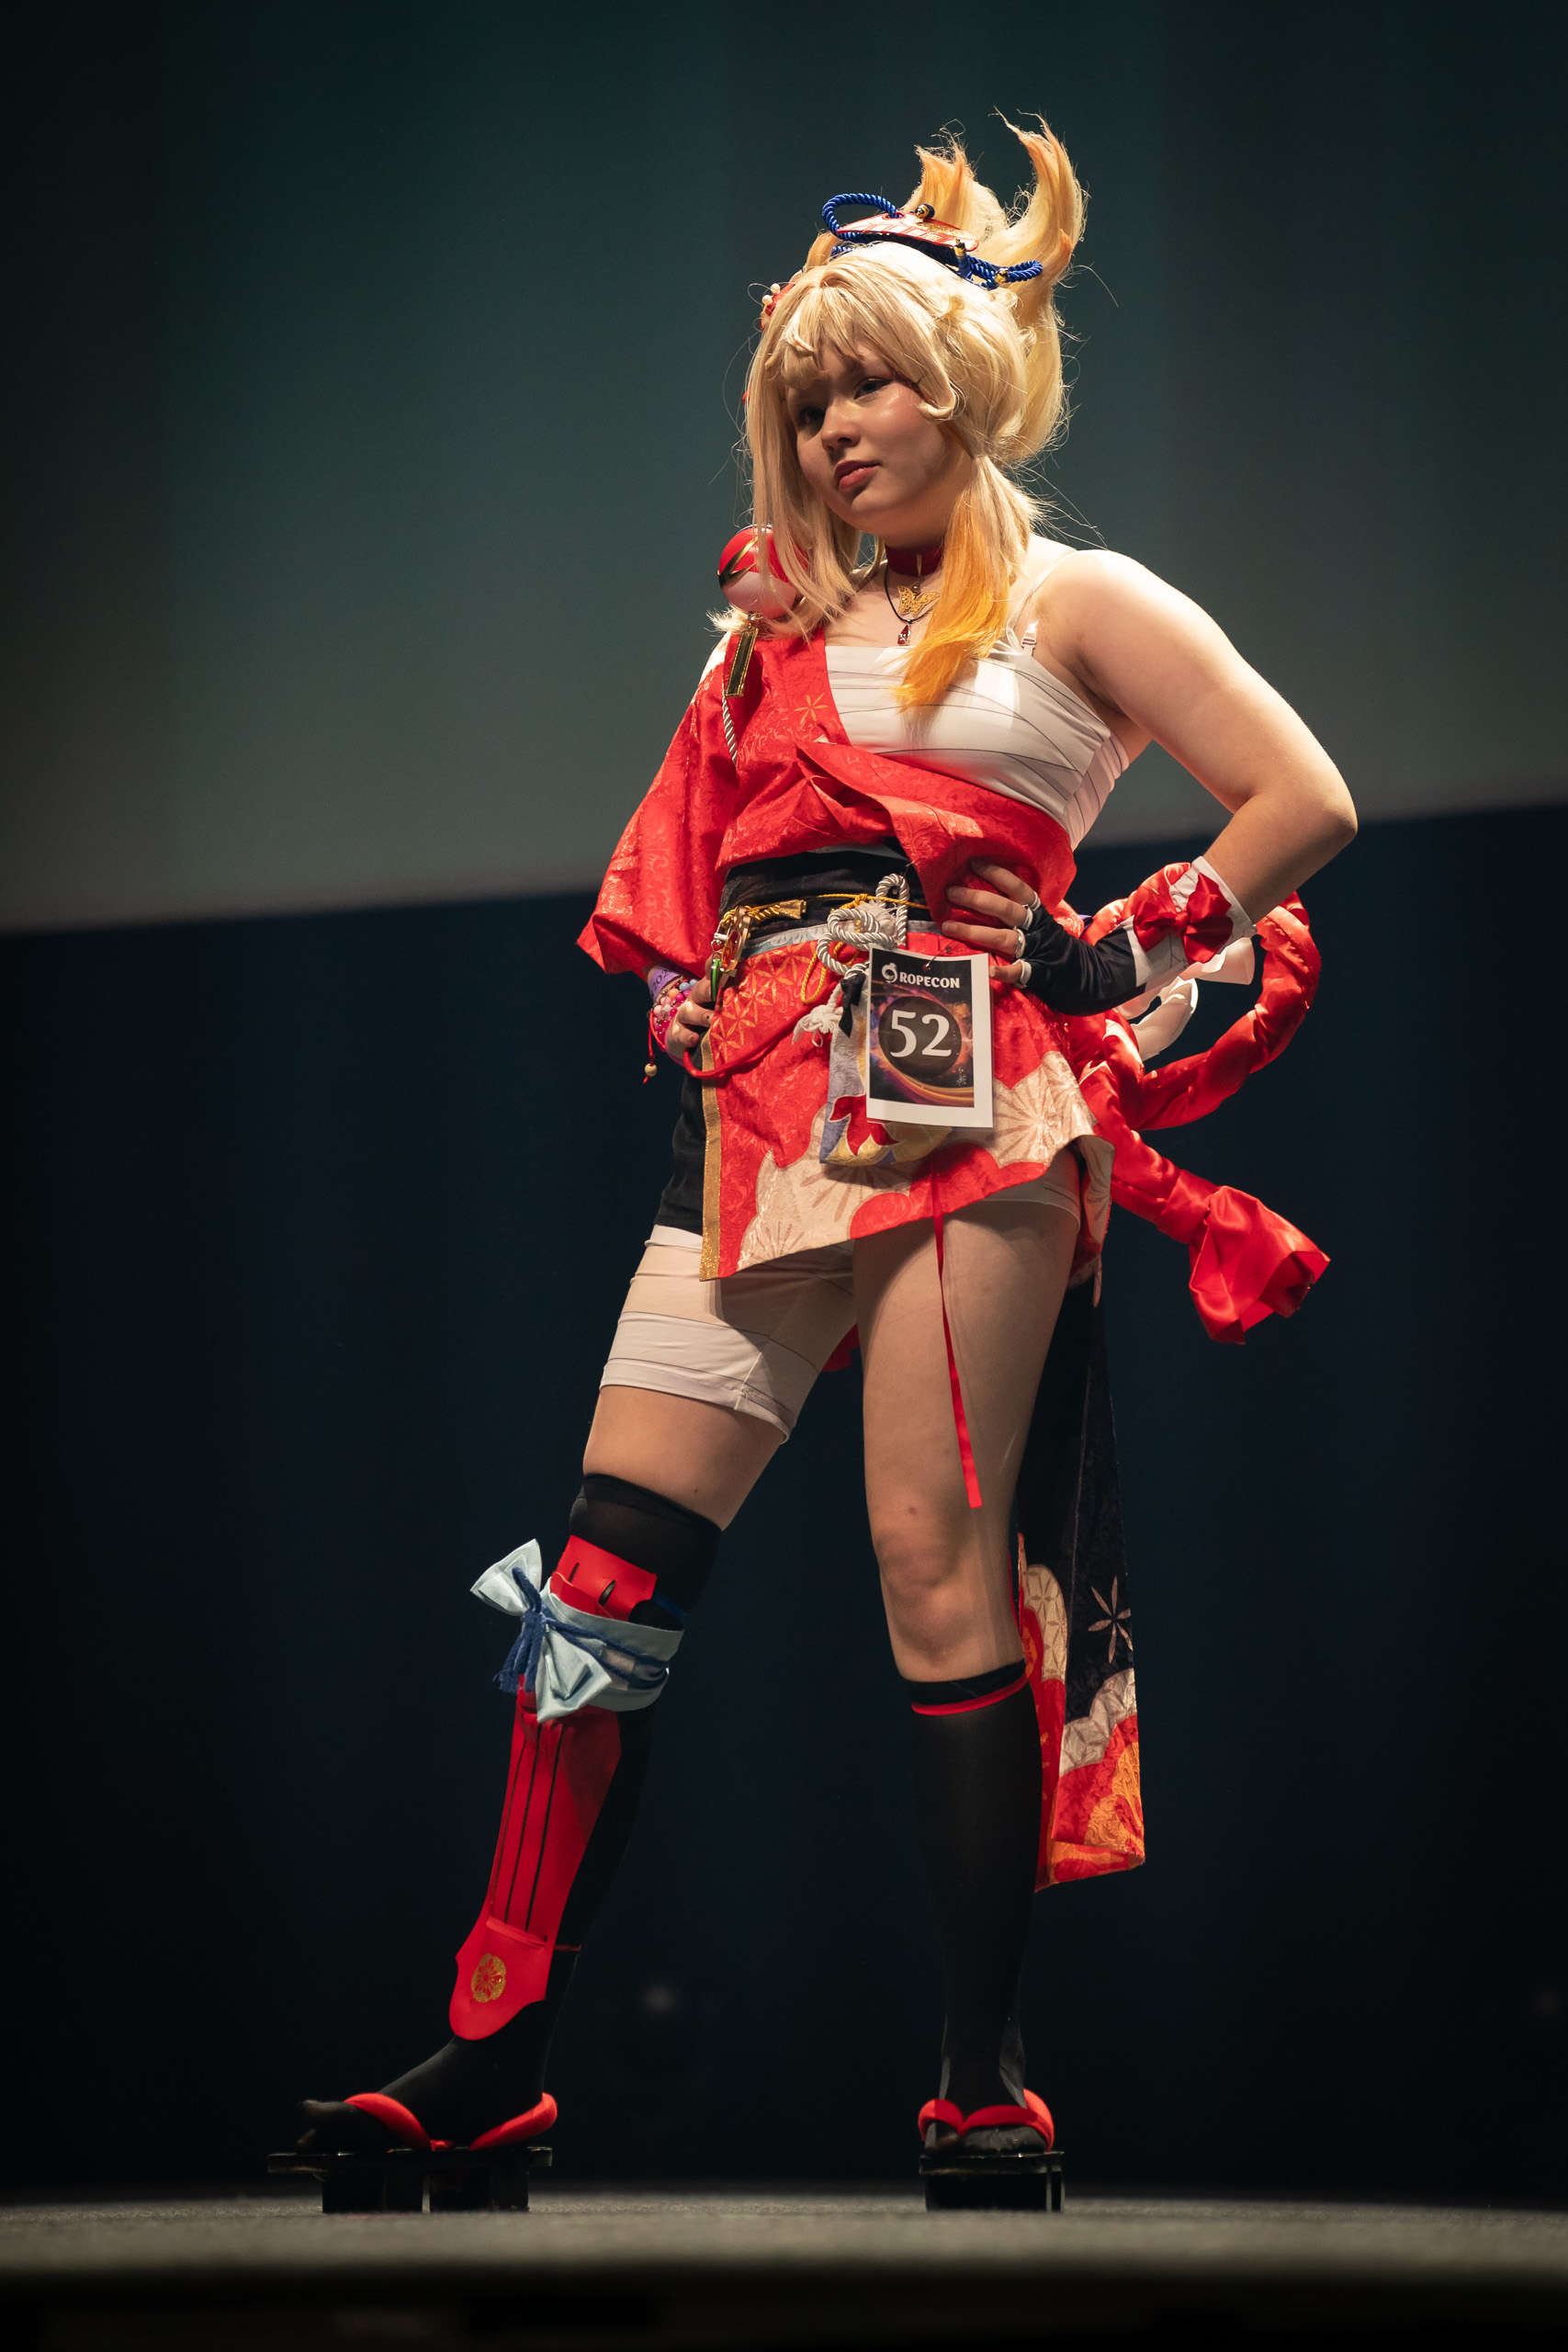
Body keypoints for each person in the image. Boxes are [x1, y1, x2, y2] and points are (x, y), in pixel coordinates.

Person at [299, 117, 1355, 2187]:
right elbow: (712, 873)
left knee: (928, 1566)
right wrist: (691, 1005)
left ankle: (980, 2075)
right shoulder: (769, 625)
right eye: (805, 399)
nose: (833, 427)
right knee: (599, 1571)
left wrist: (1114, 941)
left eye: (866, 383)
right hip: (759, 1119)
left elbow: (1300, 793)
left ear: (960, 383)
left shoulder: (1078, 599)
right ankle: (492, 2051)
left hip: (970, 1114)